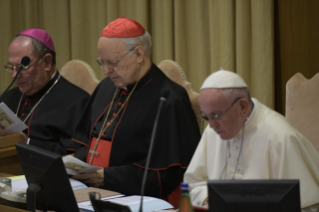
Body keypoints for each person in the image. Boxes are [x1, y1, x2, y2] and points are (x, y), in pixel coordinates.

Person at [71, 17, 201, 200]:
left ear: (139, 54)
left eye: (113, 62)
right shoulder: (106, 87)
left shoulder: (170, 99)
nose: (106, 71)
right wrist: (77, 166)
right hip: (88, 190)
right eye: (103, 62)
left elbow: (168, 174)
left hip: (137, 198)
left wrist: (107, 178)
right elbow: (86, 141)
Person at [183, 70, 319, 211]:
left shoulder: (281, 137)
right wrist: (208, 198)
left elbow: (305, 206)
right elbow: (195, 183)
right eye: (207, 117)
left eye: (216, 115)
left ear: (242, 106)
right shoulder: (214, 130)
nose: (211, 125)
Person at [0, 28, 90, 155]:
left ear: (47, 62)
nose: (15, 75)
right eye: (11, 67)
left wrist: (27, 142)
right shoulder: (8, 98)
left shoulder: (78, 103)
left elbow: (75, 157)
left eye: (22, 67)